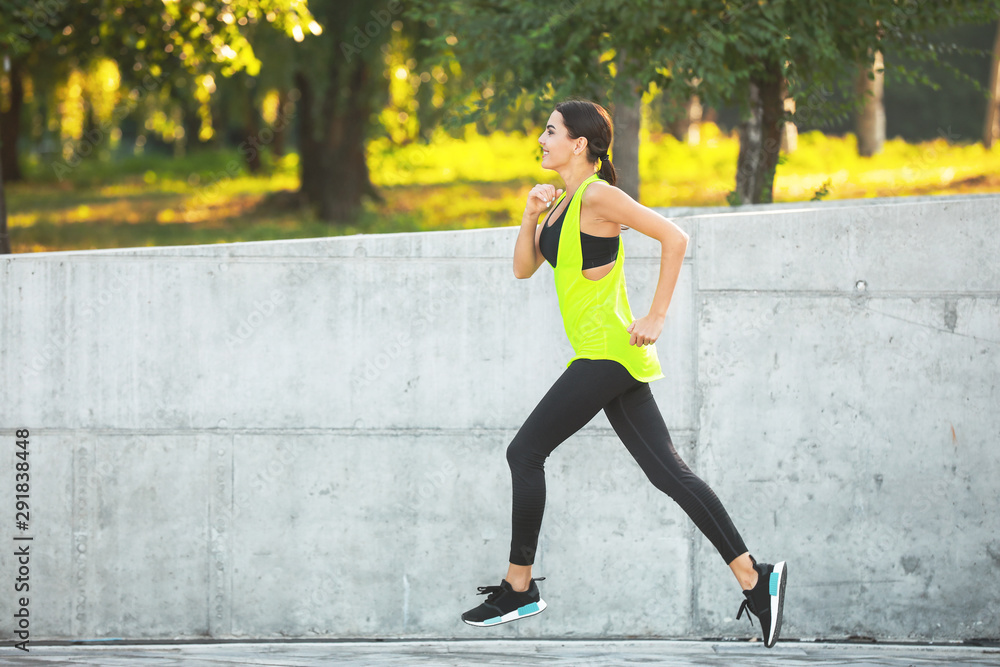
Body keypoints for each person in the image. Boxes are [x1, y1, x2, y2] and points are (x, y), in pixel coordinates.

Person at [460, 99, 787, 647]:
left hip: (609, 353)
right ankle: (756, 577)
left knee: (524, 452)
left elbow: (675, 238)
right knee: (669, 474)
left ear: (579, 144)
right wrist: (529, 215)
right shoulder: (562, 201)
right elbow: (522, 269)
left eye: (550, 131)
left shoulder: (599, 196)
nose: (541, 139)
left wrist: (656, 315)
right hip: (603, 356)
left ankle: (519, 588)